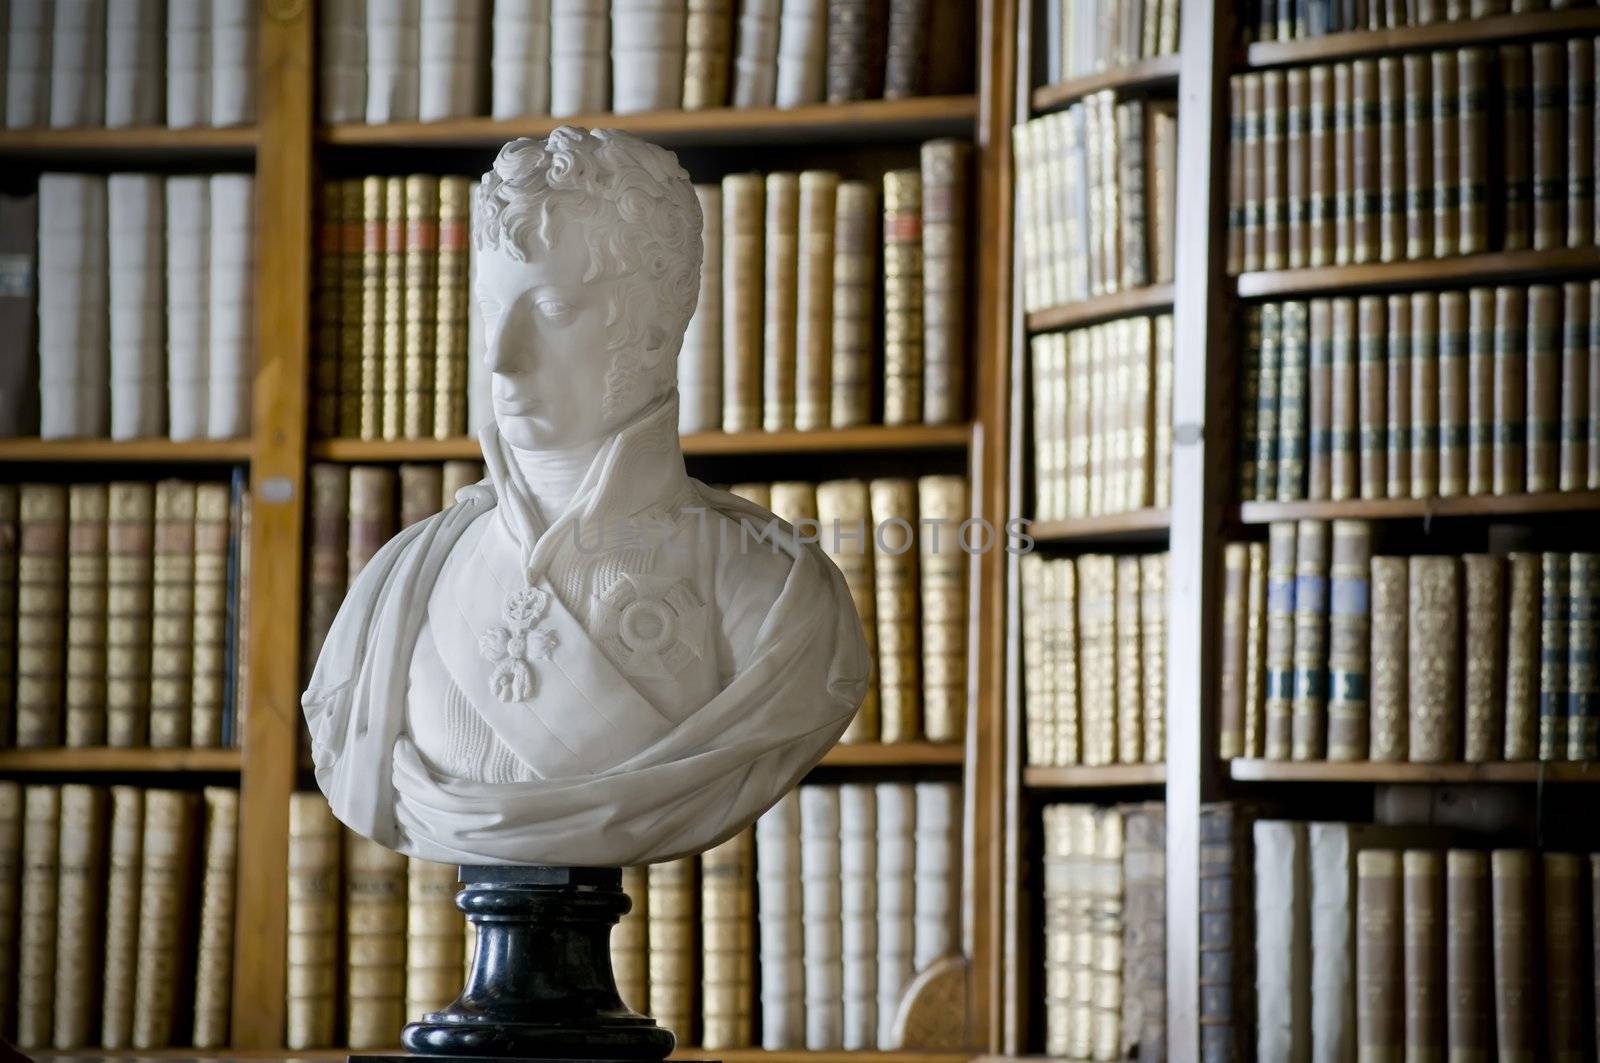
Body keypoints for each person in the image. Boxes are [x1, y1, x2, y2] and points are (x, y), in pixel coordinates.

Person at [303, 127, 870, 867]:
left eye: (552, 310)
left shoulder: (781, 597)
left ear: (657, 328)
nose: (503, 359)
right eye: (491, 308)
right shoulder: (400, 582)